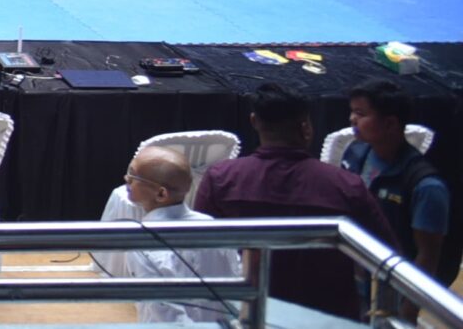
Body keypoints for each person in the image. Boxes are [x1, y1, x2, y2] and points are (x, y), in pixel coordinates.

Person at [195, 83, 398, 320]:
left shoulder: (221, 178)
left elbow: (198, 250)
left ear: (254, 121)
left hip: (248, 315)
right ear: (306, 127)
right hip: (328, 320)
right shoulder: (347, 186)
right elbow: (388, 255)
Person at [95, 146, 239, 325]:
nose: (126, 179)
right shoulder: (212, 226)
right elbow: (234, 279)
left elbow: (164, 311)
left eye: (133, 176)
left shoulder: (143, 240)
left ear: (161, 193)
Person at [342, 80, 449, 279]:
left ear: (390, 123)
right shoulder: (354, 154)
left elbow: (427, 258)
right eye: (352, 112)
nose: (352, 119)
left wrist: (405, 300)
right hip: (355, 277)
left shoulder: (426, 186)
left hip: (393, 284)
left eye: (361, 114)